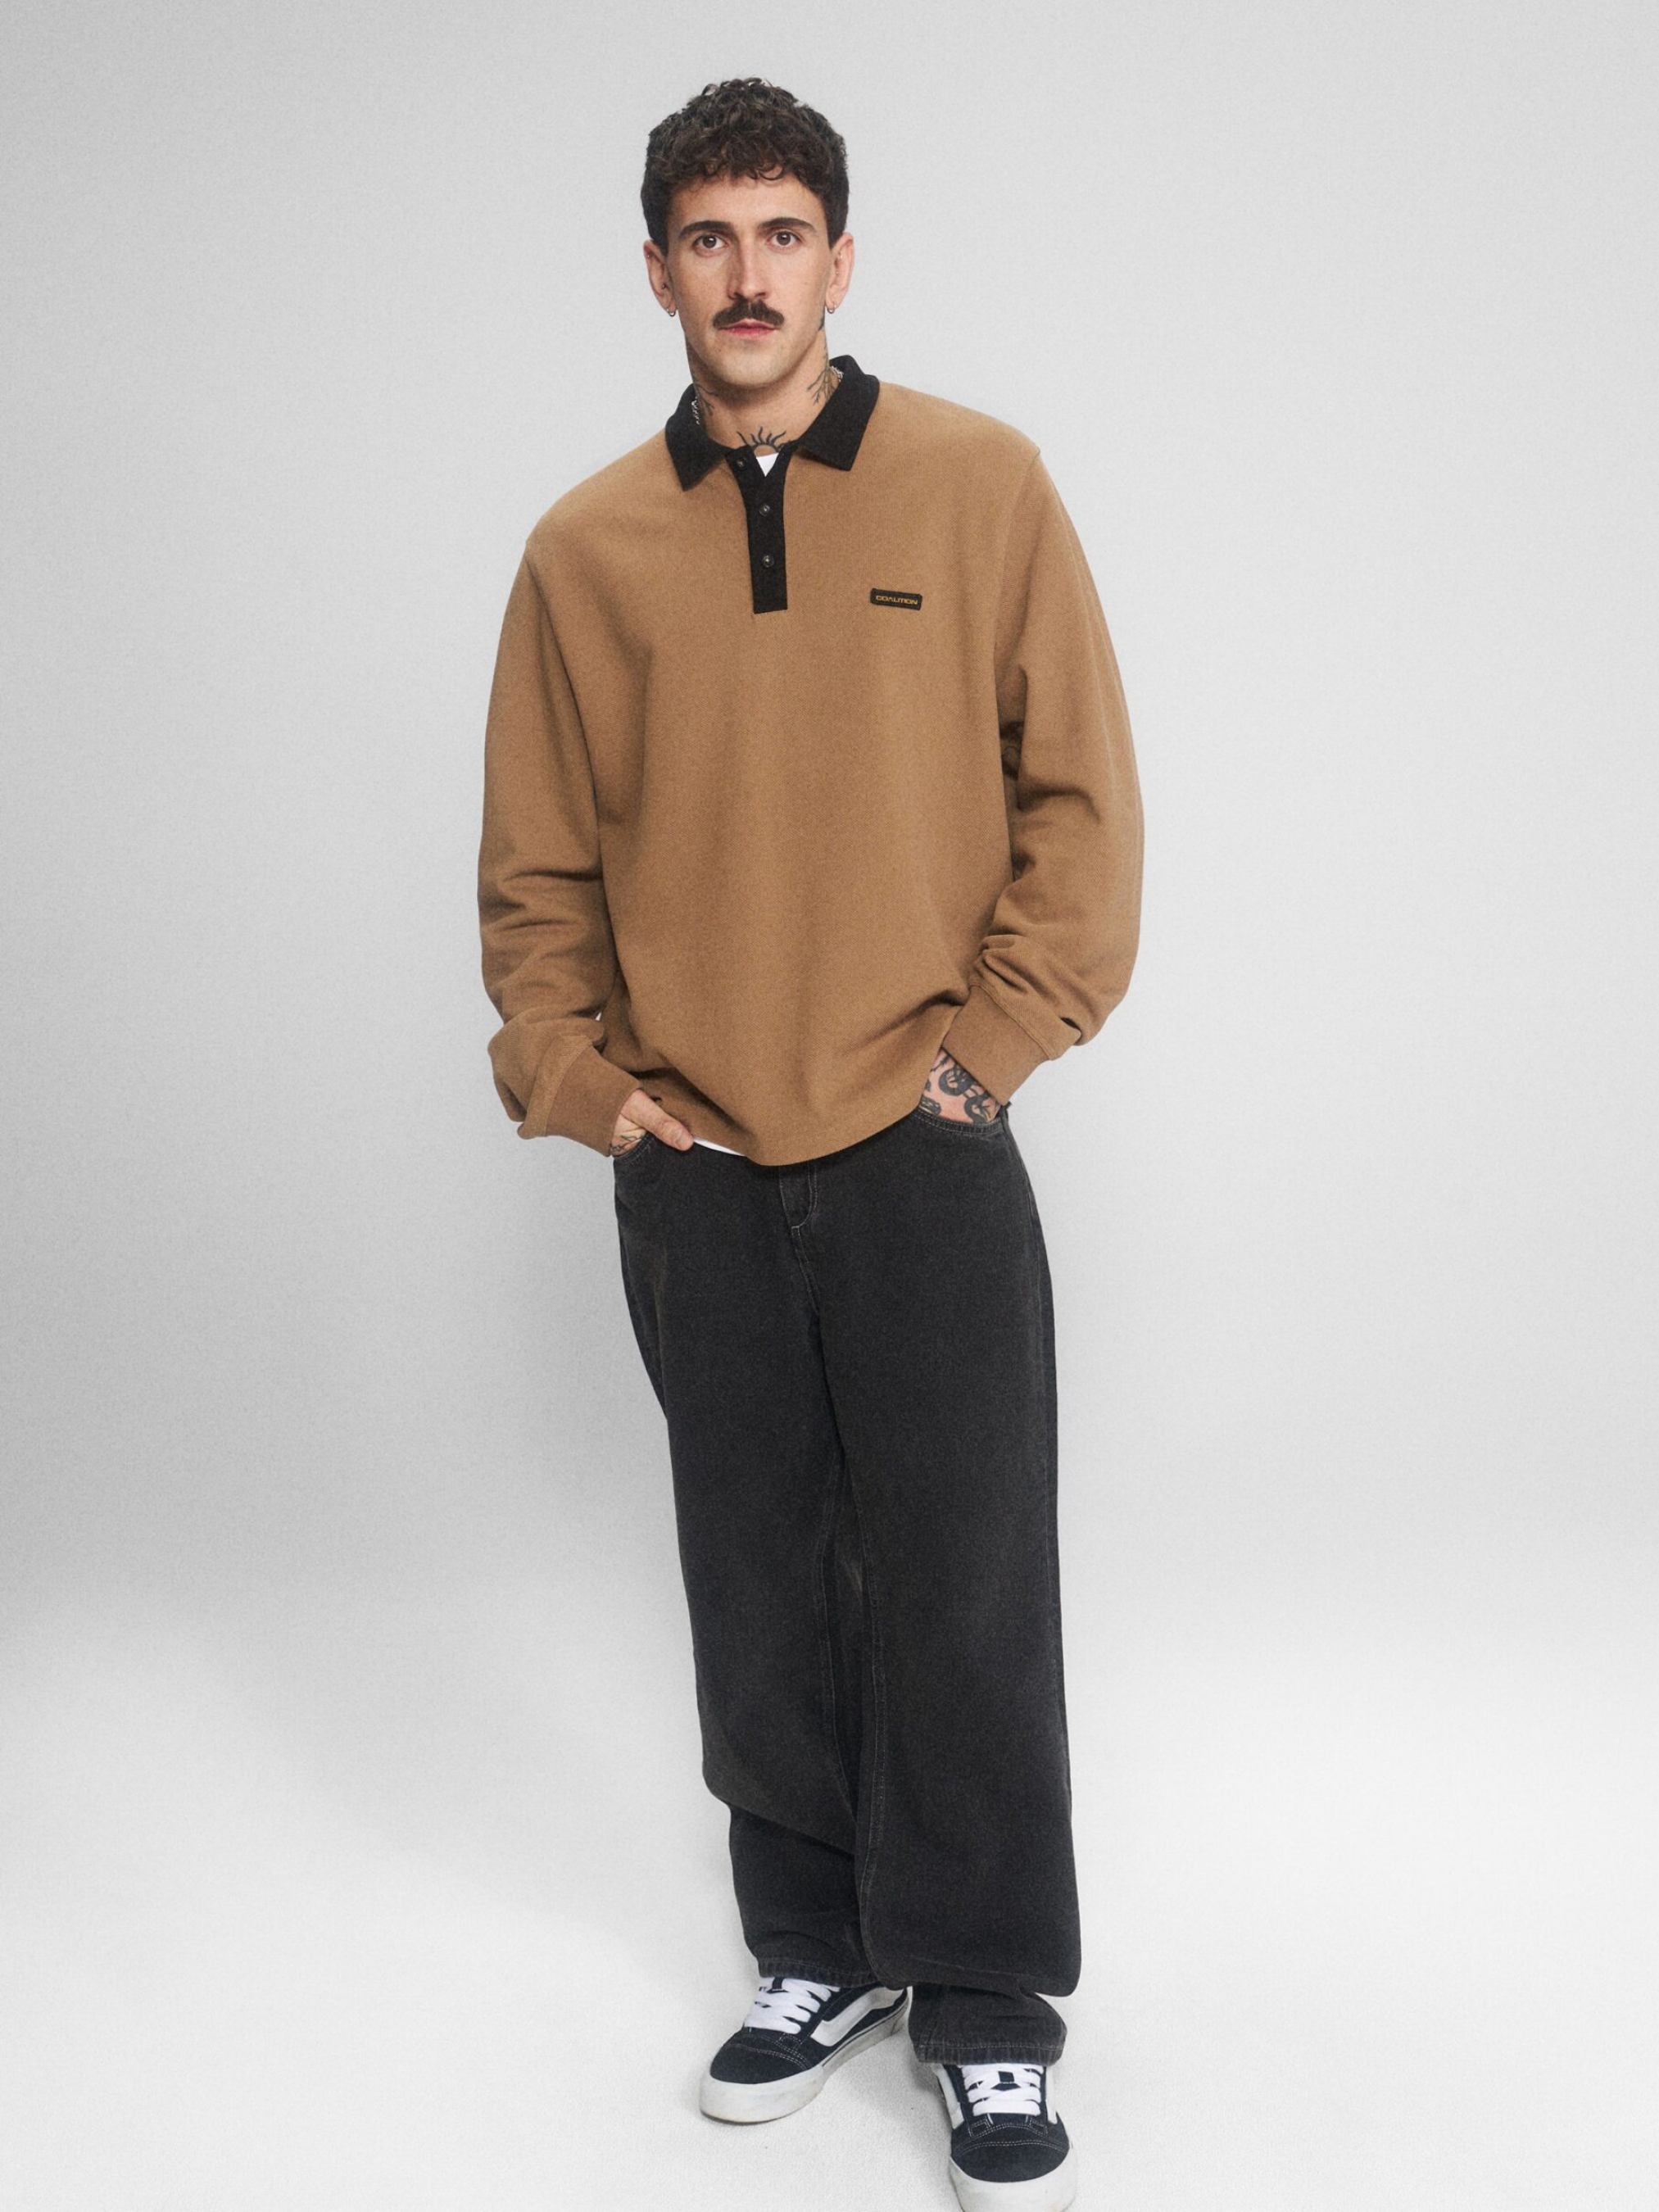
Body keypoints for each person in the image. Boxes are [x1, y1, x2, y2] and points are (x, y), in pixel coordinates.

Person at [476, 74, 1143, 2212]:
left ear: (840, 261)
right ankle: (819, 1945)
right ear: (657, 271)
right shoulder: (584, 549)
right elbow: (533, 873)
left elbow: (1079, 804)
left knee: (961, 1577)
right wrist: (585, 1085)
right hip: (696, 1156)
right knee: (757, 1576)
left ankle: (986, 2001)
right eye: (708, 239)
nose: (746, 276)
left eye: (781, 235)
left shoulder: (978, 484)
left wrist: (991, 1051)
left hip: (920, 1135)